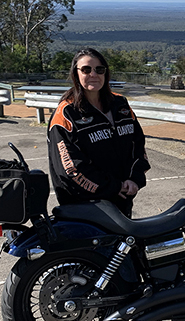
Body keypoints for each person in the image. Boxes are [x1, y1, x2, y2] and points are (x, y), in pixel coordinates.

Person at [47, 48, 151, 218]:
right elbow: (71, 168)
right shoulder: (66, 114)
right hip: (85, 208)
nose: (93, 74)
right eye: (86, 69)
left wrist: (134, 179)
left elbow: (138, 145)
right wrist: (113, 187)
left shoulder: (121, 105)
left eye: (99, 69)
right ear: (76, 74)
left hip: (123, 200)